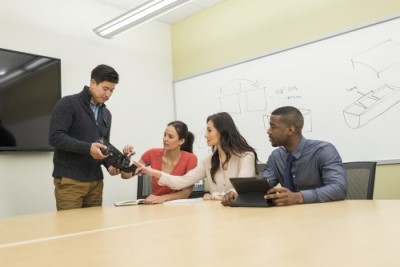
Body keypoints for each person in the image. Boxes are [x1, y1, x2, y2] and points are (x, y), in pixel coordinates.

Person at [222, 106, 348, 207]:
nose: (268, 131)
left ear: (290, 130)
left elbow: (338, 188)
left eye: (273, 126)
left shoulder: (323, 151)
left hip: (324, 216)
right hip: (290, 219)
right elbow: (263, 184)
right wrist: (236, 194)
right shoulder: (276, 156)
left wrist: (298, 197)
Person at [134, 112, 259, 201]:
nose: (205, 135)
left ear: (222, 131)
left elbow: (238, 191)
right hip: (218, 215)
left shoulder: (246, 156)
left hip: (242, 214)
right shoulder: (208, 161)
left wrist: (213, 196)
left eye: (209, 130)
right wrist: (153, 172)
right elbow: (182, 182)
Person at [49, 64, 121, 211]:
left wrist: (110, 165)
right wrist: (88, 148)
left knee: (94, 232)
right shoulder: (68, 103)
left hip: (96, 183)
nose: (108, 94)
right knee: (70, 230)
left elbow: (103, 146)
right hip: (70, 182)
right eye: (105, 88)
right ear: (93, 83)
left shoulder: (106, 114)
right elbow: (55, 137)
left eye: (112, 90)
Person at [121, 121, 198, 204]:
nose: (165, 139)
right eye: (165, 135)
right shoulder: (151, 154)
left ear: (181, 141)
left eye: (170, 137)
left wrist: (163, 198)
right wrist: (126, 157)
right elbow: (125, 175)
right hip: (156, 206)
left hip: (179, 206)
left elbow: (186, 193)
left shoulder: (191, 159)